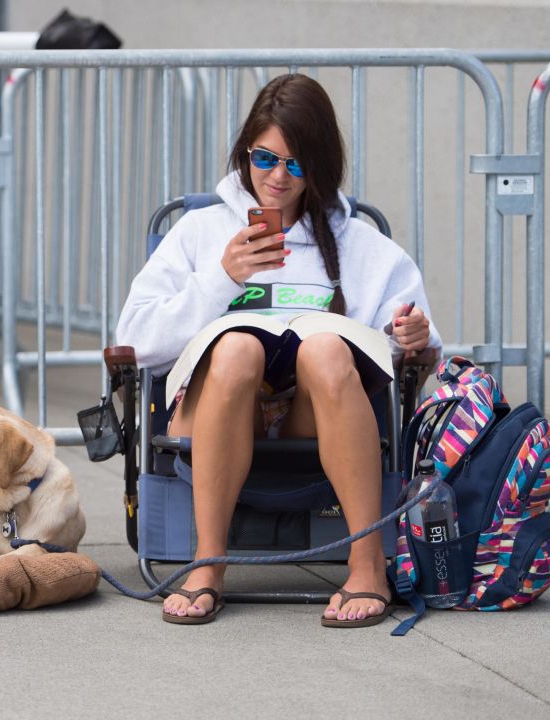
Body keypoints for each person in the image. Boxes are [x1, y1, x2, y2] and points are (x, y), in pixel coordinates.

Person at [115, 74, 442, 627]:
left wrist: (415, 340)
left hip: (307, 417)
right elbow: (136, 339)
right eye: (265, 158)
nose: (278, 177)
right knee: (239, 348)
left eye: (297, 164)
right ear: (246, 152)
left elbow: (416, 354)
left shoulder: (359, 244)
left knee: (326, 351)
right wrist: (221, 279)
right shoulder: (201, 232)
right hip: (217, 404)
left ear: (320, 165)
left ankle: (367, 566)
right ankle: (208, 563)